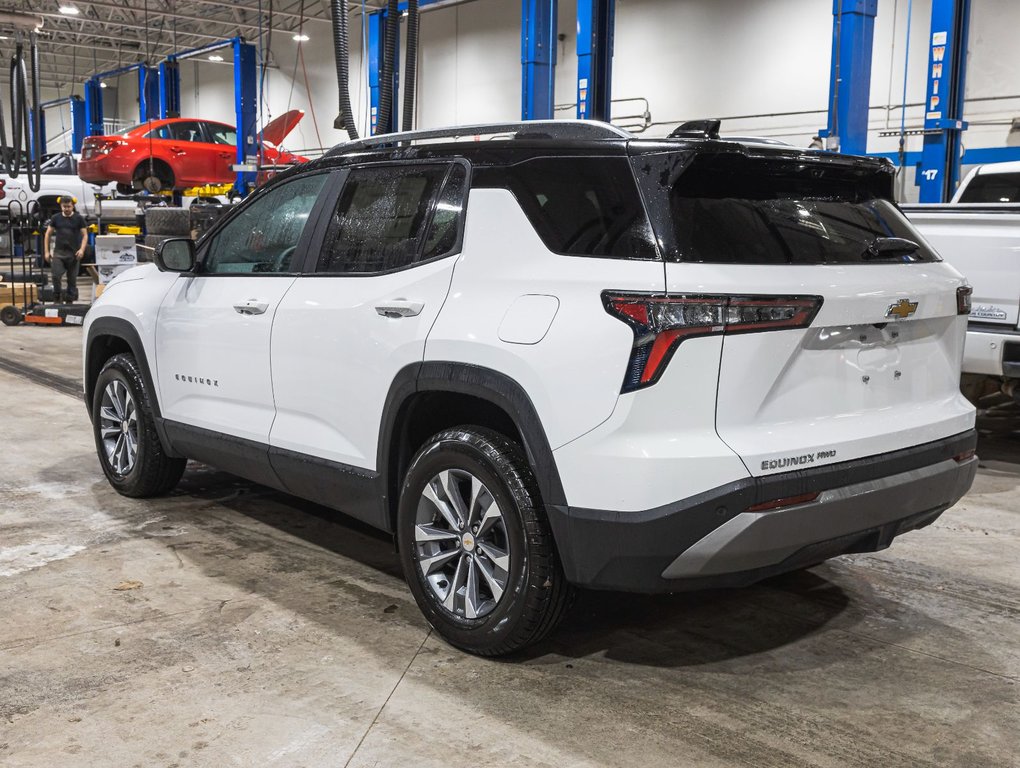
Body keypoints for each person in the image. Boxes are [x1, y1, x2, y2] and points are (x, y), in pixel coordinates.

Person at [43, 196, 88, 303]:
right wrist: (46, 251)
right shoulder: (55, 218)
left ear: (73, 206)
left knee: (72, 280)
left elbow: (85, 235)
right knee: (55, 276)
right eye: (64, 206)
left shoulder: (79, 219)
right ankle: (57, 297)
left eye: (69, 206)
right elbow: (47, 234)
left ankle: (69, 301)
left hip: (73, 254)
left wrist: (81, 250)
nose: (67, 209)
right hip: (59, 254)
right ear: (61, 206)